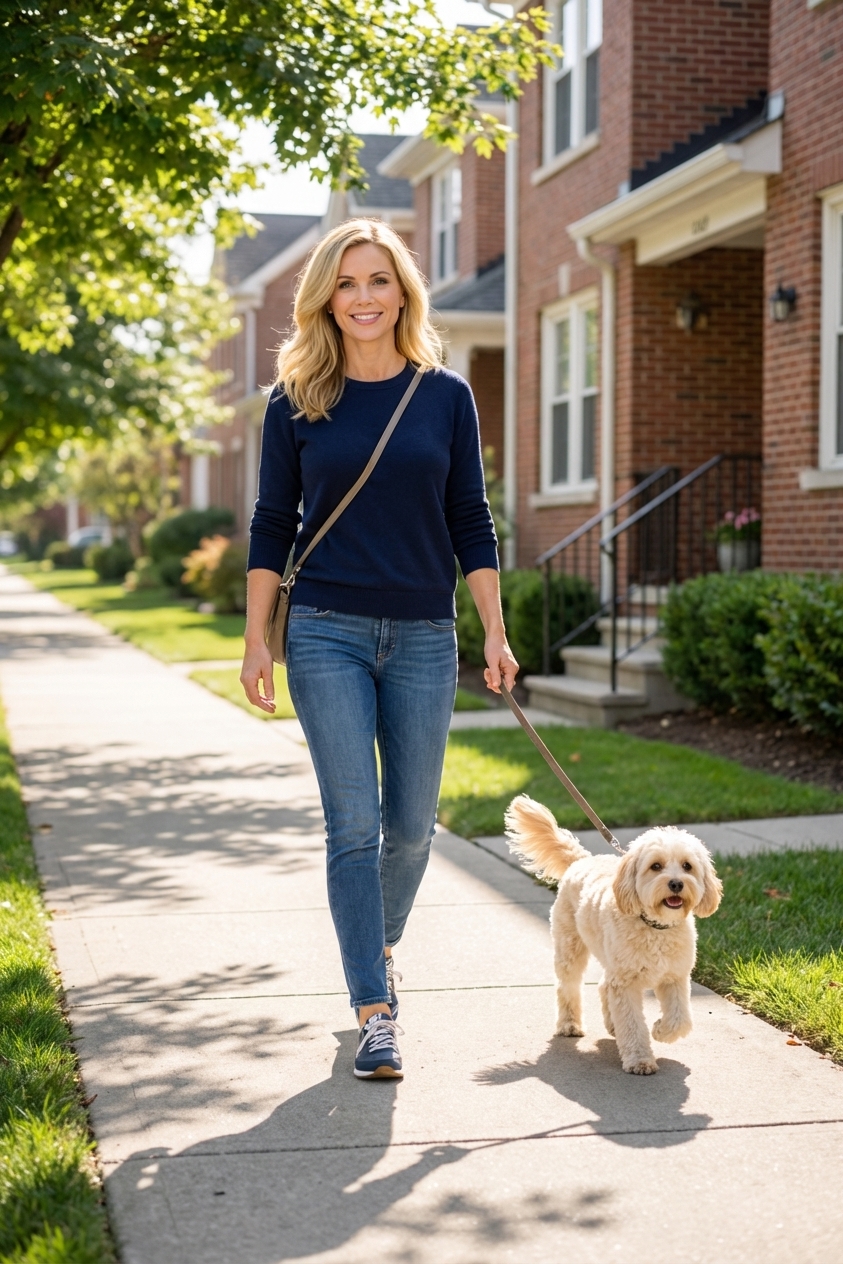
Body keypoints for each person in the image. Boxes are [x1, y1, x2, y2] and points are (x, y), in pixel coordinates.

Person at [240, 217, 518, 1079]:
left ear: (403, 292)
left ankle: (375, 945)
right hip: (324, 630)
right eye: (347, 283)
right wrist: (256, 637)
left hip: (426, 633)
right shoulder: (296, 398)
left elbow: (469, 517)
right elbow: (270, 522)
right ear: (326, 296)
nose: (363, 298)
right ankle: (374, 1008)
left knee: (409, 828)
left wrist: (495, 630)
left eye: (378, 281)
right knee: (353, 826)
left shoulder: (445, 396)